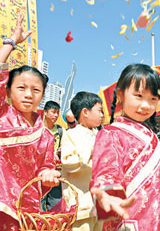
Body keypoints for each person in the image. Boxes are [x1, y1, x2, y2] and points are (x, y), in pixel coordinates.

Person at [0, 14, 60, 230]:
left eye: (36, 90)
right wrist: (11, 42)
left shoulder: (46, 136)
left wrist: (49, 175)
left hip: (23, 208)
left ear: (42, 94)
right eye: (21, 88)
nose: (28, 95)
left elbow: (45, 166)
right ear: (7, 91)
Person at [90, 64, 160, 230]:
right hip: (131, 222)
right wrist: (109, 198)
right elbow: (106, 175)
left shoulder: (154, 139)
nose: (145, 105)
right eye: (139, 96)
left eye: (153, 99)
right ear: (120, 94)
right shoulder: (110, 133)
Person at [60, 91, 104, 230]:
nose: (102, 115)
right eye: (99, 111)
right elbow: (68, 162)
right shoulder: (71, 134)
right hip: (80, 203)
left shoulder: (100, 134)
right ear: (85, 112)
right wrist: (90, 151)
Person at [41, 101, 64, 211]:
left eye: (57, 113)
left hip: (56, 174)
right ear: (45, 112)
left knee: (55, 206)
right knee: (39, 205)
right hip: (40, 174)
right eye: (53, 112)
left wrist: (61, 151)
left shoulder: (60, 131)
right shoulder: (37, 129)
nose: (56, 115)